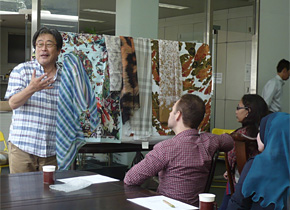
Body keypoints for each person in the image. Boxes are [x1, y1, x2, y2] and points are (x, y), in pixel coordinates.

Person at [124, 94, 234, 207]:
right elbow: (230, 141)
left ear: (178, 115)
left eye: (172, 110)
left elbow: (130, 178)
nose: (170, 113)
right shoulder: (210, 141)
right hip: (196, 207)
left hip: (166, 206)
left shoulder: (165, 148)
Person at [4, 27, 63, 173]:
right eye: (39, 44)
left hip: (53, 149)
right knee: (21, 194)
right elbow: (13, 103)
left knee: (51, 193)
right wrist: (32, 88)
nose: (43, 49)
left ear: (59, 50)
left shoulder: (66, 76)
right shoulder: (22, 70)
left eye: (49, 44)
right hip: (23, 147)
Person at [226, 112, 290, 210]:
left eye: (262, 130)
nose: (258, 136)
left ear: (272, 135)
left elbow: (237, 204)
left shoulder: (256, 165)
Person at [219, 94, 268, 210]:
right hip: (264, 188)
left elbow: (230, 160)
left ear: (248, 111)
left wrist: (229, 169)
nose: (236, 111)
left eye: (238, 108)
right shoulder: (266, 133)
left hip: (239, 187)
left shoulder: (239, 135)